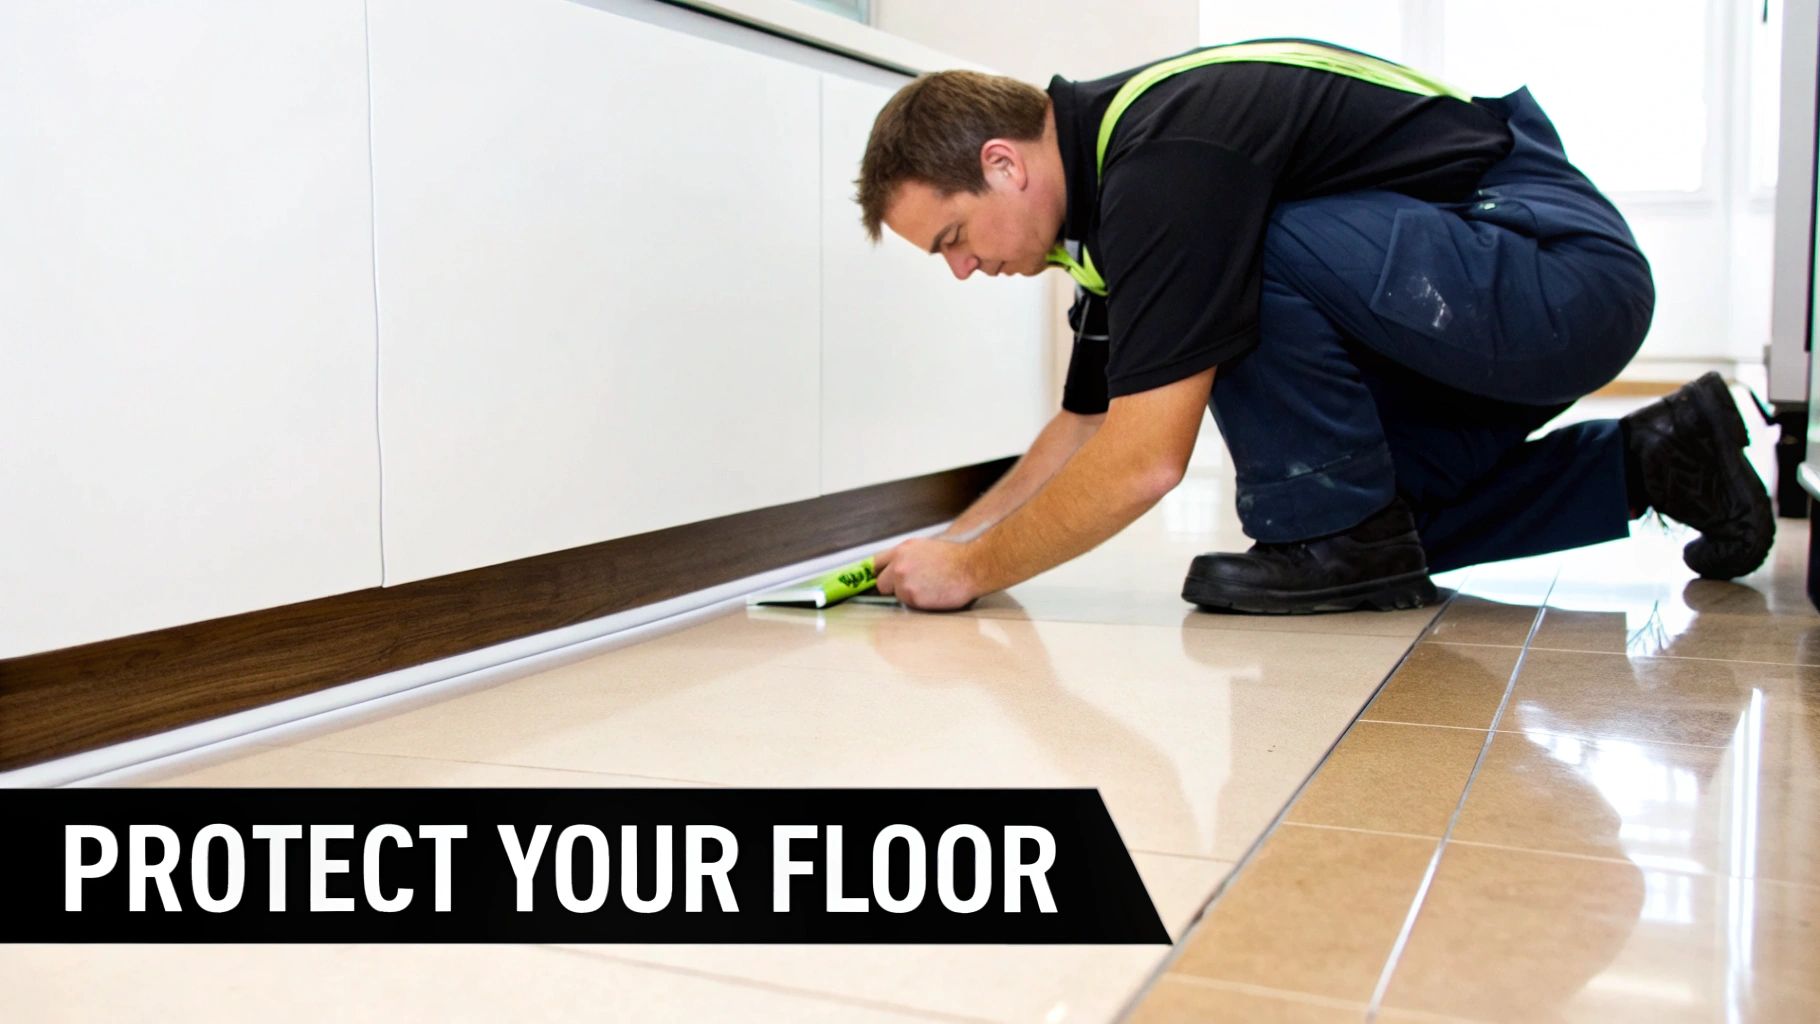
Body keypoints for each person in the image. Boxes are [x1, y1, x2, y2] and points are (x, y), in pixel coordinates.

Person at [858, 40, 1774, 613]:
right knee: (1390, 531)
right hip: (1474, 306)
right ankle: (1654, 458)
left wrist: (978, 575)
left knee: (1327, 490)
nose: (964, 270)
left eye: (953, 238)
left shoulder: (1166, 162)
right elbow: (1089, 423)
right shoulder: (1108, 216)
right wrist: (956, 544)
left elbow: (1145, 460)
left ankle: (1329, 536)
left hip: (1554, 271)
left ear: (1003, 164)